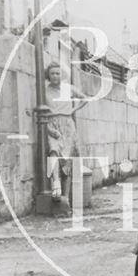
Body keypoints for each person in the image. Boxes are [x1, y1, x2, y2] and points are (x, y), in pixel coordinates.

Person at [45, 62, 88, 201]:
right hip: (52, 123)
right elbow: (41, 112)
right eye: (52, 73)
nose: (55, 76)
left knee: (66, 161)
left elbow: (84, 98)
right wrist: (48, 127)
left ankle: (65, 199)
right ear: (48, 75)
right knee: (53, 151)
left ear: (61, 75)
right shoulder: (44, 91)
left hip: (68, 125)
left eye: (57, 73)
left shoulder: (68, 88)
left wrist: (73, 110)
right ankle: (56, 182)